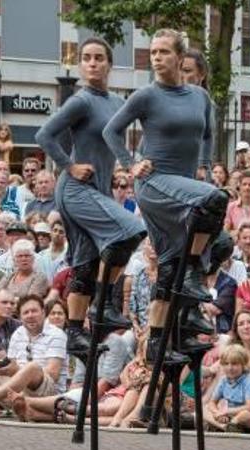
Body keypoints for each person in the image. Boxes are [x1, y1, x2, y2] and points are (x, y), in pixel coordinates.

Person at [103, 29, 232, 360]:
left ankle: (163, 340)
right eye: (153, 52)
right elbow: (111, 131)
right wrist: (131, 164)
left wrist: (203, 167)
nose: (157, 57)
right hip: (155, 183)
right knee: (216, 200)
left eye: (164, 52)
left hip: (187, 188)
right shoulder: (146, 95)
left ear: (180, 57)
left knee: (188, 258)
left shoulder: (199, 97)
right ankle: (192, 272)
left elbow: (207, 135)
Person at [35, 36, 148, 360]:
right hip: (74, 189)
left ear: (110, 64)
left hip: (97, 188)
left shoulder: (116, 102)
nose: (92, 63)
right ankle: (105, 303)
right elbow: (45, 135)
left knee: (85, 266)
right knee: (131, 229)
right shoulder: (81, 101)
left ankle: (74, 334)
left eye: (99, 57)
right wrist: (68, 165)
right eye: (86, 58)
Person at [203, 344, 250, 433]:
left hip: (249, 419)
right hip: (229, 416)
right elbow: (212, 402)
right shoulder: (224, 381)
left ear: (243, 365)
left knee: (245, 415)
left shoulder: (248, 382)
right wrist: (217, 413)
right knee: (204, 409)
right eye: (226, 364)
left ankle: (228, 425)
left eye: (234, 364)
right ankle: (225, 426)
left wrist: (226, 412)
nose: (230, 368)